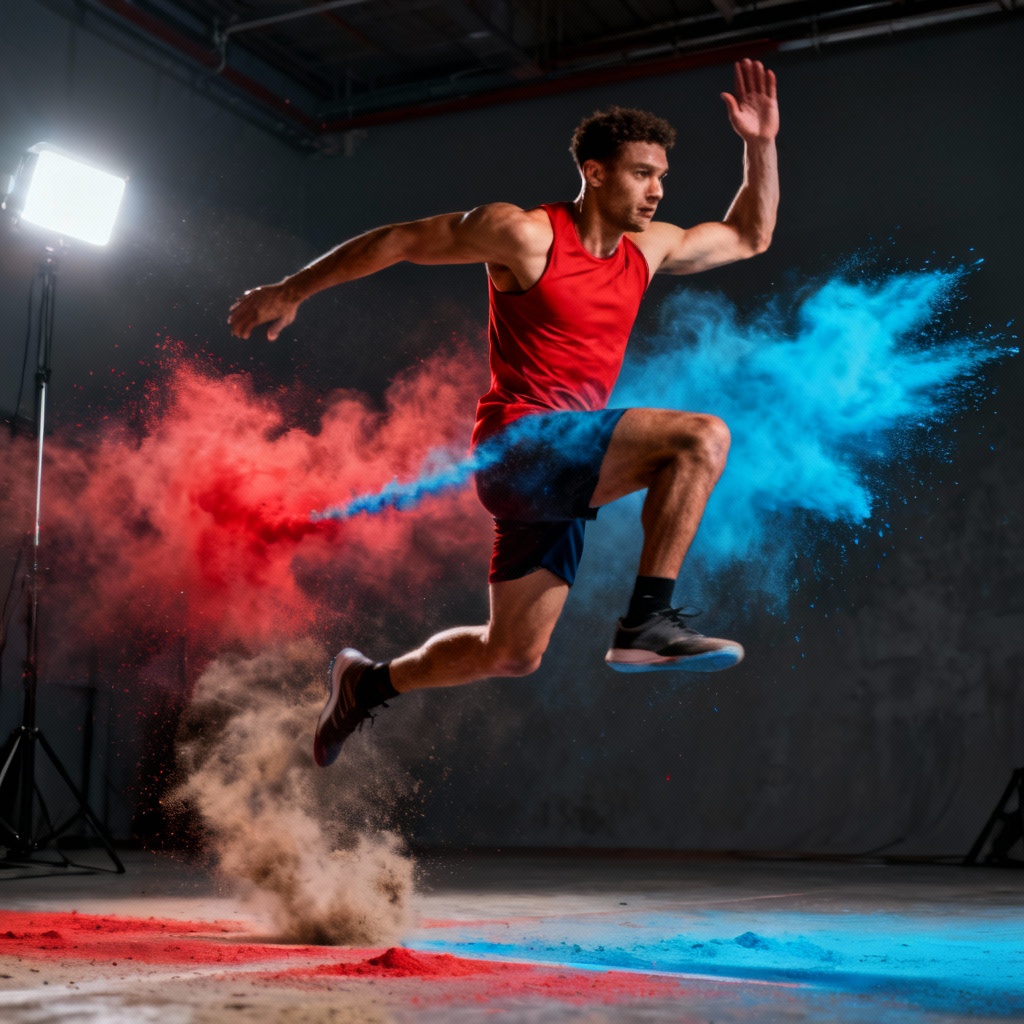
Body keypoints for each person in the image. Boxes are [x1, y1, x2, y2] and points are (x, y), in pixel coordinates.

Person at [229, 58, 779, 768]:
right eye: (643, 173)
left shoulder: (651, 247)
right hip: (520, 442)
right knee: (700, 438)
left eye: (663, 176)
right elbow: (397, 240)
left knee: (512, 652)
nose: (657, 190)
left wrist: (759, 145)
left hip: (559, 468)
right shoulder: (524, 235)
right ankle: (648, 619)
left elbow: (749, 236)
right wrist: (292, 287)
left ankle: (366, 683)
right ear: (596, 172)